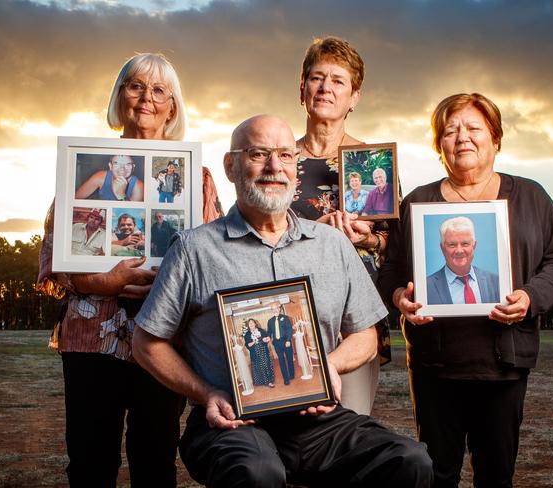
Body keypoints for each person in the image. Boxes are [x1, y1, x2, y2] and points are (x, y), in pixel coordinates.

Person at [132, 114, 433, 488]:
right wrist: (207, 393)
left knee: (410, 460)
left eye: (286, 156)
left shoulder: (332, 244)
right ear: (231, 165)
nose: (275, 167)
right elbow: (146, 343)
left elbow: (367, 334)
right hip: (231, 423)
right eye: (259, 154)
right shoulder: (194, 250)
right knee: (258, 473)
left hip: (317, 422)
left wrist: (330, 367)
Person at [36, 53, 223, 488]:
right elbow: (55, 248)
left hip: (163, 337)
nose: (147, 98)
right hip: (90, 335)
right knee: (88, 460)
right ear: (120, 97)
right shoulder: (85, 164)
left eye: (160, 90)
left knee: (155, 457)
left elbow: (212, 255)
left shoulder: (196, 177)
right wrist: (102, 281)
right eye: (135, 86)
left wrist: (170, 283)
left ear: (173, 108)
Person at [379, 93, 553, 488]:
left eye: (473, 128)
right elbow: (391, 272)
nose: (462, 137)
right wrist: (400, 298)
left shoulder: (531, 197)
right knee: (437, 474)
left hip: (503, 366)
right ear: (439, 146)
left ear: (495, 138)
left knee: (496, 475)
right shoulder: (417, 202)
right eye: (450, 131)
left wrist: (531, 297)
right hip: (436, 367)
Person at [292, 36, 392, 415]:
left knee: (348, 431)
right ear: (302, 89)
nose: (325, 88)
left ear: (354, 97)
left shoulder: (375, 162)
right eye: (317, 78)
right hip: (291, 310)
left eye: (338, 80)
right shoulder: (279, 160)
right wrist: (314, 230)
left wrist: (369, 240)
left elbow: (393, 245)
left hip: (355, 319)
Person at [427, 216, 499, 305]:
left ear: (474, 245)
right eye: (452, 245)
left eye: (465, 244)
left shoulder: (495, 282)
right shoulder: (426, 287)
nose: (459, 251)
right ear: (442, 248)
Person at [75, 154, 144, 201]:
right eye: (117, 163)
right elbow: (75, 198)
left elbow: (132, 214)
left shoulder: (138, 186)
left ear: (133, 167)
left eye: (128, 164)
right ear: (110, 166)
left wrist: (121, 196)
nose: (122, 168)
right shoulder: (100, 177)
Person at [267, 303, 295, 385]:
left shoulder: (285, 318)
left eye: (276, 308)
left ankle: (292, 374)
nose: (274, 310)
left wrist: (288, 340)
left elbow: (289, 329)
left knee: (289, 359)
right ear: (271, 310)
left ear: (279, 308)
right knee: (281, 361)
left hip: (286, 341)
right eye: (272, 309)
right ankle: (286, 379)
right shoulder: (270, 321)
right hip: (277, 343)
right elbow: (269, 332)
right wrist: (268, 337)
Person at [243, 318, 275, 388]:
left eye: (252, 323)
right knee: (258, 367)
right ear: (248, 325)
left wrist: (266, 339)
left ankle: (269, 381)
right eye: (249, 323)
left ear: (255, 323)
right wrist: (254, 341)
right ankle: (261, 381)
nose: (251, 324)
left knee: (266, 365)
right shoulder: (247, 334)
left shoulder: (261, 330)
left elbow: (267, 338)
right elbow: (248, 345)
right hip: (255, 352)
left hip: (263, 350)